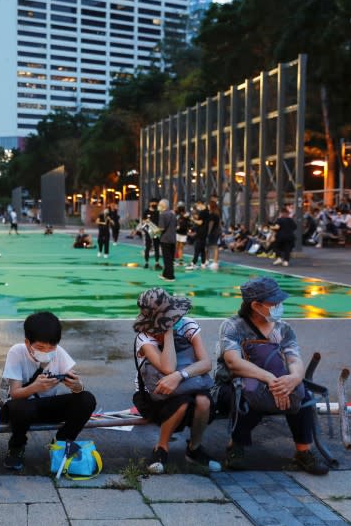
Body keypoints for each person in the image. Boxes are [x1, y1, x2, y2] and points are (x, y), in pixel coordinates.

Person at [215, 277, 329, 475]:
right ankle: (236, 447)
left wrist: (293, 379)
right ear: (256, 305)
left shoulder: (283, 329)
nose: (279, 307)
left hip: (276, 382)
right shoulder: (233, 326)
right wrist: (268, 379)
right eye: (274, 303)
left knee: (303, 395)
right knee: (246, 394)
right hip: (234, 383)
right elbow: (233, 362)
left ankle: (303, 452)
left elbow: (294, 359)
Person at [132, 288, 220, 474]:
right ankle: (161, 448)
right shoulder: (144, 337)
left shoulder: (188, 325)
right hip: (156, 393)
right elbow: (167, 367)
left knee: (203, 401)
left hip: (187, 382)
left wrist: (181, 375)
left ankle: (194, 449)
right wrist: (168, 332)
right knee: (182, 403)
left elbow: (205, 363)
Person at [0, 311, 97, 471]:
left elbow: (78, 385)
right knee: (20, 407)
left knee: (86, 399)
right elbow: (15, 393)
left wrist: (77, 386)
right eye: (40, 347)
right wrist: (35, 387)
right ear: (27, 343)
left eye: (51, 347)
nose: (46, 351)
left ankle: (62, 441)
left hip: (45, 406)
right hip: (19, 409)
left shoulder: (58, 352)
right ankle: (17, 446)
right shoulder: (16, 352)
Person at [186, 201, 209, 270]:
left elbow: (200, 222)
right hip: (204, 232)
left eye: (197, 206)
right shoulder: (207, 211)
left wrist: (193, 219)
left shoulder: (203, 212)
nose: (197, 208)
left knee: (197, 247)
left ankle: (193, 263)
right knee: (202, 249)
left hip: (201, 232)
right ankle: (203, 263)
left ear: (200, 204)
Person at [157, 199, 176, 281]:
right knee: (170, 258)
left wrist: (155, 230)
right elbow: (176, 226)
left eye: (159, 205)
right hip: (173, 238)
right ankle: (165, 274)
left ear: (163, 206)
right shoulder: (173, 214)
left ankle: (169, 276)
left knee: (166, 258)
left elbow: (161, 228)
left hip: (165, 239)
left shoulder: (162, 215)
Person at [141, 198, 161, 270]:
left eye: (155, 203)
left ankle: (157, 263)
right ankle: (146, 262)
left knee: (156, 247)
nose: (154, 204)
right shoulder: (146, 211)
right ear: (150, 203)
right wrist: (146, 221)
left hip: (156, 232)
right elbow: (143, 221)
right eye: (153, 203)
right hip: (148, 231)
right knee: (148, 247)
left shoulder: (158, 212)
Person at [206, 199, 221, 269]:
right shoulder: (217, 214)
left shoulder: (212, 215)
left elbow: (210, 225)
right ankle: (214, 262)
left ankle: (214, 262)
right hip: (217, 231)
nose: (207, 206)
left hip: (212, 232)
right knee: (214, 246)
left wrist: (208, 232)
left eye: (209, 205)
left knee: (213, 247)